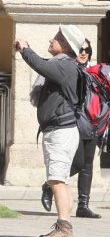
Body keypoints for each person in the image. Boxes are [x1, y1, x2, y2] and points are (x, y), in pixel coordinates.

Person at [13, 24, 85, 237]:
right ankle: (65, 226)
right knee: (60, 181)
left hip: (60, 132)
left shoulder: (64, 66)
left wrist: (25, 49)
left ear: (64, 45)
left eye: (54, 39)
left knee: (56, 180)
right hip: (59, 131)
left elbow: (39, 65)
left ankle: (64, 228)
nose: (50, 41)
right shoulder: (65, 66)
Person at [41, 39, 101, 219]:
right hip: (72, 124)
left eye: (87, 50)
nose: (83, 53)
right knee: (78, 163)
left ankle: (83, 205)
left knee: (88, 164)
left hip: (92, 122)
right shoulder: (68, 68)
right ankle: (50, 185)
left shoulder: (95, 72)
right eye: (80, 50)